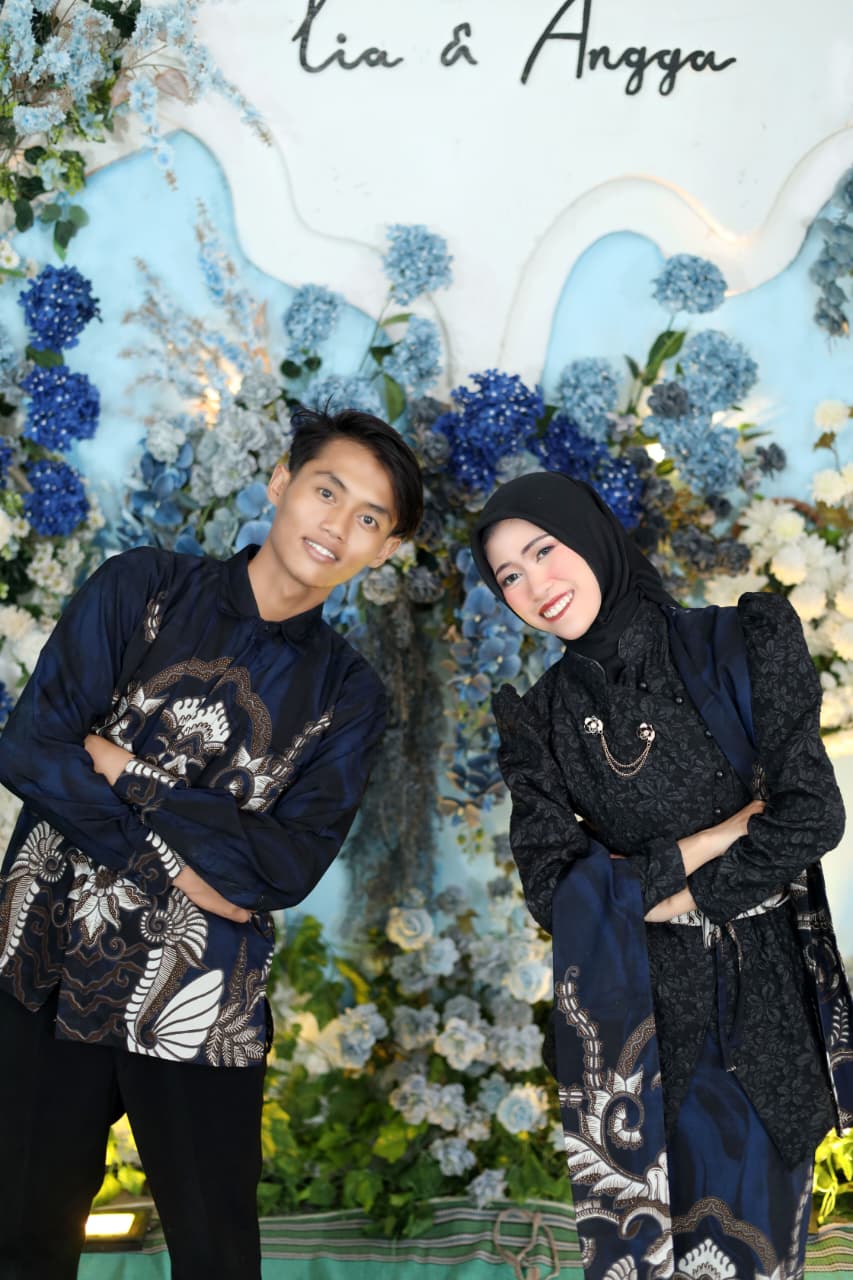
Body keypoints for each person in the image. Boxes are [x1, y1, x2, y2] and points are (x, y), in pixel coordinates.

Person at [0, 407, 423, 1280]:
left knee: (217, 1255)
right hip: (45, 958)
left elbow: (282, 869)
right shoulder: (143, 589)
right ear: (281, 482)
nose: (336, 525)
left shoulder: (348, 696)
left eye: (367, 518)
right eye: (326, 491)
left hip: (197, 991)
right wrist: (173, 859)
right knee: (21, 1237)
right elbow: (30, 751)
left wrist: (126, 769)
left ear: (383, 551)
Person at [470, 470, 848, 1280]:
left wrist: (676, 897)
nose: (535, 584)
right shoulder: (538, 722)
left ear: (592, 537)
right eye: (508, 576)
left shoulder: (738, 644)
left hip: (763, 1031)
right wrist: (714, 839)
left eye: (543, 550)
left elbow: (812, 814)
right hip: (633, 1052)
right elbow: (554, 894)